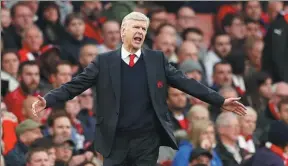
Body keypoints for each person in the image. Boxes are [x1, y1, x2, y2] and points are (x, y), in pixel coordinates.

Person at [32, 12, 246, 166]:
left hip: (146, 140)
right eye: (136, 28)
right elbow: (74, 86)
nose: (140, 32)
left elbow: (187, 83)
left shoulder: (157, 60)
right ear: (124, 31)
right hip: (115, 140)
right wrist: (48, 100)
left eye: (143, 29)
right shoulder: (104, 62)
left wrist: (220, 100)